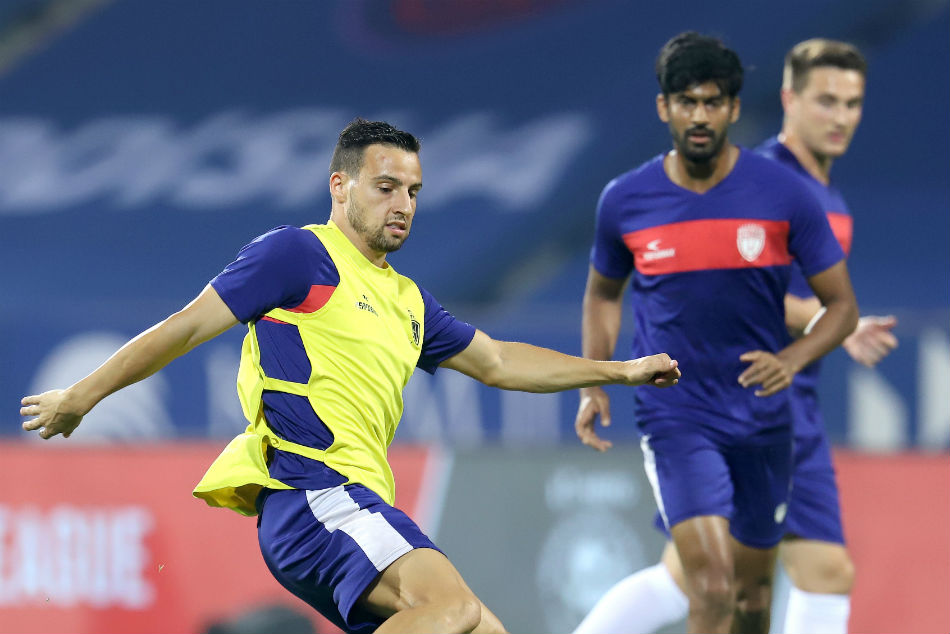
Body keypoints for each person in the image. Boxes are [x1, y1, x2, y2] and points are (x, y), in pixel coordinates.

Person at [20, 119, 681, 634]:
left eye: (413, 192)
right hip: (313, 495)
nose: (403, 204)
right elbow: (188, 326)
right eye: (385, 187)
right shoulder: (299, 255)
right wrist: (81, 397)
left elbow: (500, 361)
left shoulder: (410, 302)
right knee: (450, 609)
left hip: (356, 506)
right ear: (340, 186)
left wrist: (618, 370)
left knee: (481, 629)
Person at [573, 39, 898, 634]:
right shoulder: (656, 194)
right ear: (788, 99)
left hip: (773, 410)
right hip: (686, 407)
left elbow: (818, 300)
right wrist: (595, 377)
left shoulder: (803, 194)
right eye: (827, 100)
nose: (841, 116)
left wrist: (811, 344)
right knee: (731, 581)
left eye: (852, 103)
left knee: (743, 592)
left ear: (732, 107)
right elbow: (619, 291)